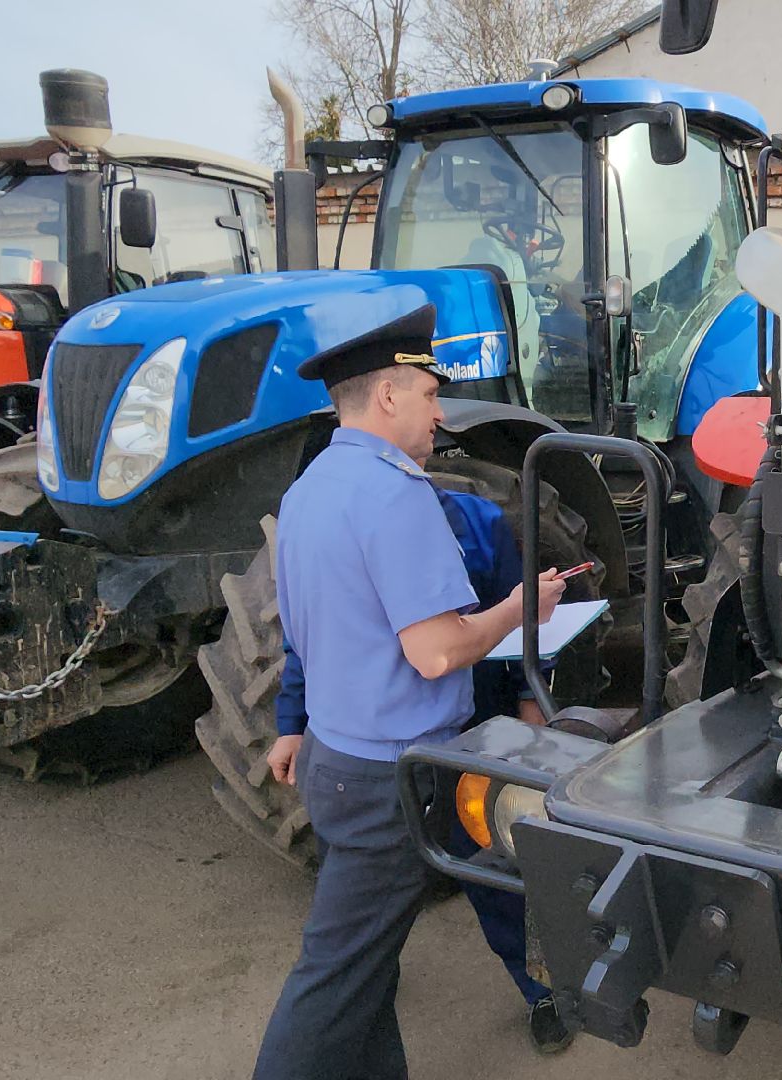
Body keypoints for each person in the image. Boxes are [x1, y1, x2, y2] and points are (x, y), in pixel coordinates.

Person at [251, 300, 565, 1080]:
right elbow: (437, 652)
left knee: (364, 968)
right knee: (334, 981)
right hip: (389, 777)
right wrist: (519, 609)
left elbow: (309, 632)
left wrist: (292, 723)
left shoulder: (310, 488)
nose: (439, 413)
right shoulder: (397, 494)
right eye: (429, 395)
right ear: (388, 394)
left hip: (335, 760)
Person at [267, 486, 570, 1053]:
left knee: (498, 869)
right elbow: (309, 637)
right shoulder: (340, 520)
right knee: (359, 893)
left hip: (469, 737)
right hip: (372, 753)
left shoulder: (479, 523)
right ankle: (368, 979)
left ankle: (543, 989)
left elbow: (527, 623)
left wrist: (532, 709)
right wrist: (292, 722)